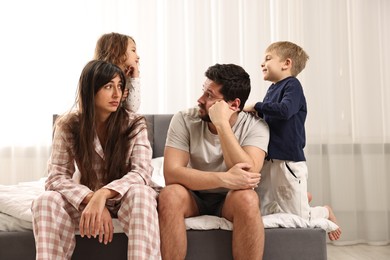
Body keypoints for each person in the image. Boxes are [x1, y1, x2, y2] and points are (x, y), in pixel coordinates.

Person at [31, 60, 160, 259]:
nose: (117, 94)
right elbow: (56, 178)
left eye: (119, 86)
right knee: (45, 200)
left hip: (126, 200)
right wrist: (92, 199)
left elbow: (141, 173)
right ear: (90, 90)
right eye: (109, 86)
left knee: (142, 195)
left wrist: (103, 195)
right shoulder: (68, 125)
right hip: (85, 201)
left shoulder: (135, 124)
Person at [158, 63, 270, 259]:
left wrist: (221, 124)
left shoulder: (256, 127)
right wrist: (224, 179)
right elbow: (171, 174)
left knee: (247, 198)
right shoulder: (184, 119)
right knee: (170, 194)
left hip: (231, 199)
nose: (200, 100)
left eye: (210, 95)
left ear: (234, 105)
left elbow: (248, 174)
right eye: (203, 91)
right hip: (193, 196)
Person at [244, 41, 342, 241]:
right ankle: (300, 198)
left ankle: (323, 211)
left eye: (268, 58)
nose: (262, 63)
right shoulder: (272, 89)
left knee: (299, 218)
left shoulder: (292, 85)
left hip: (288, 161)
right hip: (269, 160)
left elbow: (285, 110)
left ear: (286, 63)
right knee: (263, 210)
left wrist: (256, 105)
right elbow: (269, 119)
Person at [94, 32, 141, 112]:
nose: (138, 56)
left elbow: (132, 108)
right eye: (133, 50)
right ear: (116, 51)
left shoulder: (128, 77)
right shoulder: (97, 74)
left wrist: (134, 77)